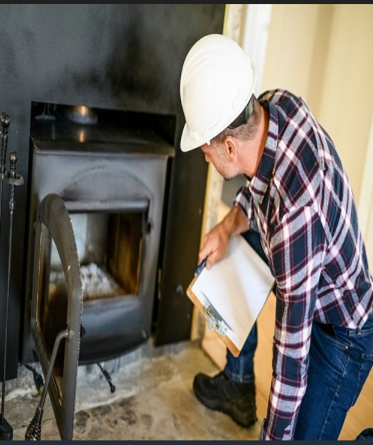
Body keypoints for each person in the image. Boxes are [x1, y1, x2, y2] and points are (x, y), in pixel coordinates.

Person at [179, 33, 373, 441]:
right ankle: (237, 381)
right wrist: (225, 227)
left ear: (229, 148)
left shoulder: (295, 218)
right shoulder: (274, 104)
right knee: (239, 241)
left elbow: (290, 357)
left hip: (342, 335)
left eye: (205, 149)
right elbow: (261, 187)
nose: (204, 155)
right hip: (311, 273)